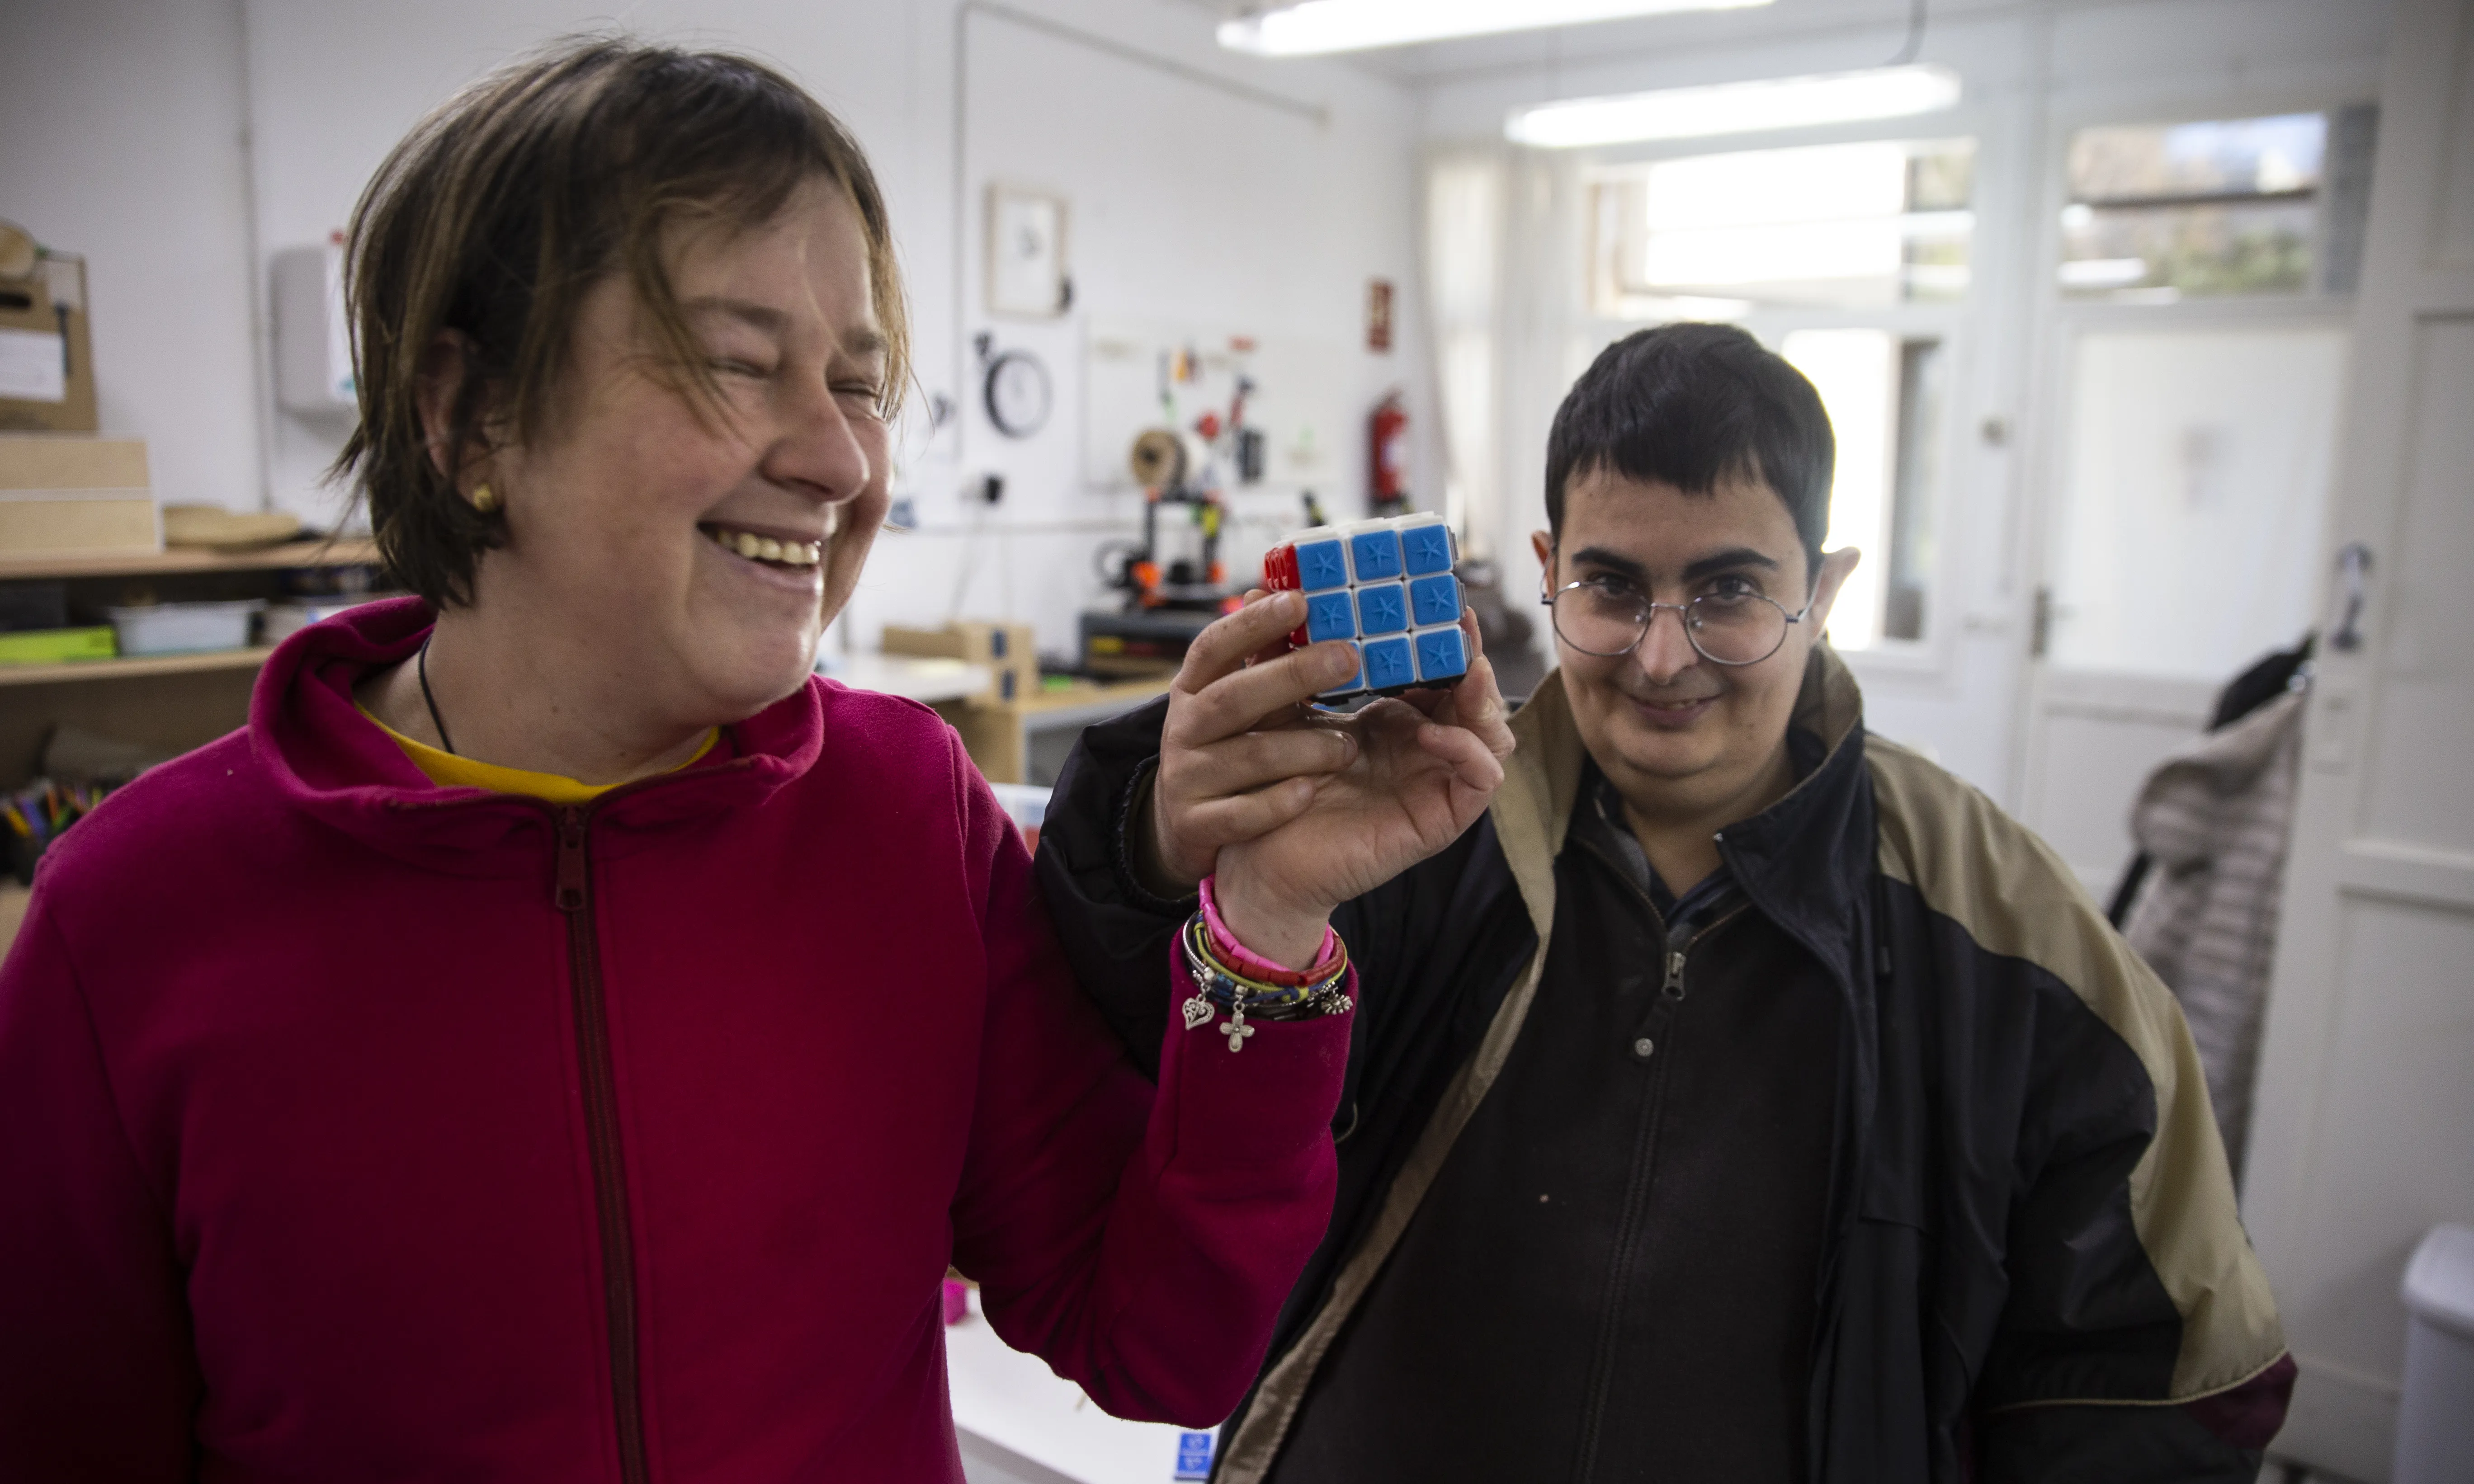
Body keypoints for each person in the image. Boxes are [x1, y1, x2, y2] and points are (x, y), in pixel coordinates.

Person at [0, 40, 1516, 1482]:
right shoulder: (131, 924)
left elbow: (1164, 1340)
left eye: (858, 382)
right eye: (738, 362)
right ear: (468, 415)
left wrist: (1265, 924)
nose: (842, 458)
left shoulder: (904, 819)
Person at [1038, 323, 2295, 1483]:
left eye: (1732, 592)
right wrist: (1161, 841)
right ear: (1546, 573)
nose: (1661, 655)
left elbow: (2163, 1372)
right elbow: (1144, 1082)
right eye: (1614, 588)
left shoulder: (2004, 930)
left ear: (1827, 585)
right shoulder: (1402, 824)